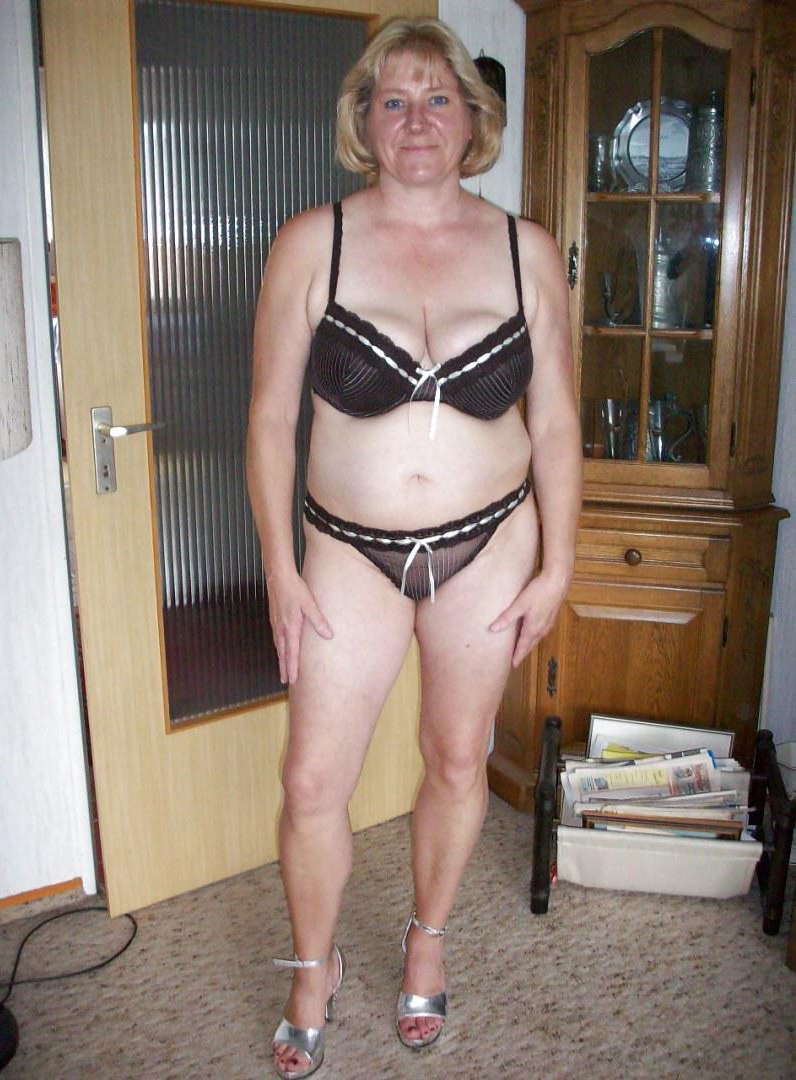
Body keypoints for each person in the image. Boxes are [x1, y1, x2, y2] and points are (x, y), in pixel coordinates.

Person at [247, 16, 581, 1079]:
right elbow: (269, 420)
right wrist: (279, 568)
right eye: (393, 100)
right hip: (347, 552)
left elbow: (558, 421)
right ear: (365, 121)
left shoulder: (527, 250)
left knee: (455, 757)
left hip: (492, 543)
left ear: (474, 119)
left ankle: (426, 941)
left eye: (439, 98)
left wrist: (560, 564)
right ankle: (314, 966)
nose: (417, 119)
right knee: (312, 782)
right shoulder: (314, 243)